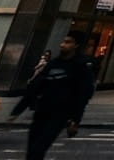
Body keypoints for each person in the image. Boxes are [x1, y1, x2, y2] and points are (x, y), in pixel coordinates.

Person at [10, 30, 96, 160]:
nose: (62, 45)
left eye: (67, 42)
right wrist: (17, 111)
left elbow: (83, 95)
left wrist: (75, 120)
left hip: (59, 115)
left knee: (38, 149)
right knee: (32, 150)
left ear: (76, 45)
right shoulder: (53, 63)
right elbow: (35, 87)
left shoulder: (81, 66)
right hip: (41, 112)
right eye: (63, 42)